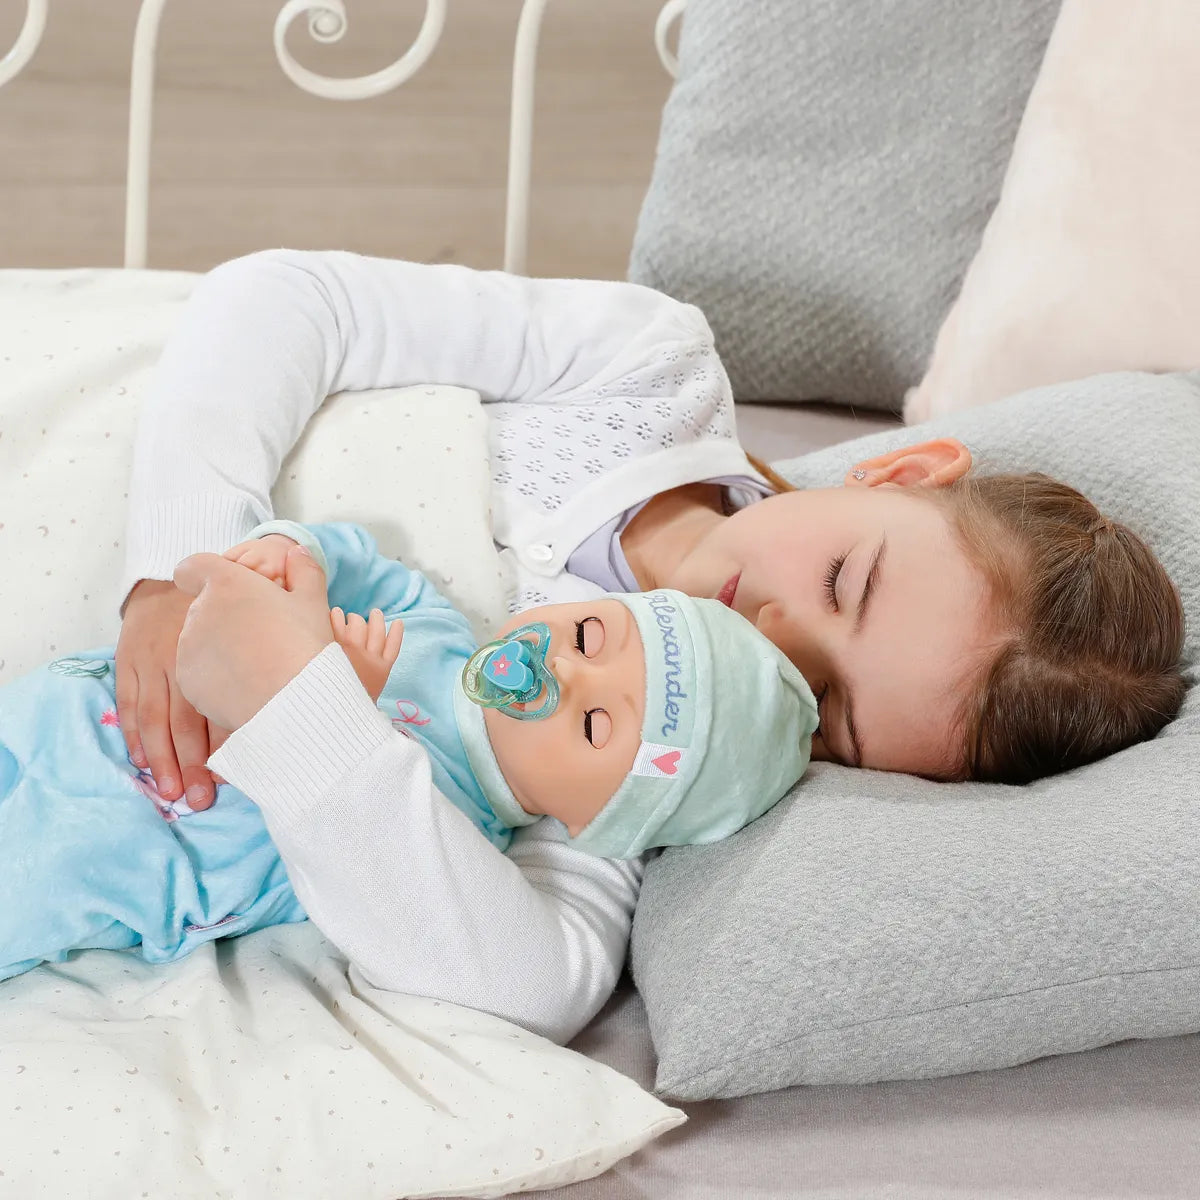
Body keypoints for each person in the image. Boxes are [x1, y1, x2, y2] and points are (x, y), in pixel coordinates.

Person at [117, 250, 1185, 1042]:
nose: (773, 634)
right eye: (842, 580)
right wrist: (171, 567)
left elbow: (530, 986)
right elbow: (293, 298)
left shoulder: (638, 764)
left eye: (828, 709)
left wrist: (300, 711)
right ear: (901, 474)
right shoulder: (646, 374)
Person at [0, 518, 817, 983]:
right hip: (78, 712)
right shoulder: (431, 623)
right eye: (588, 636)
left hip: (122, 852)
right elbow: (352, 559)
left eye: (596, 725)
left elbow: (372, 863)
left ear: (595, 825)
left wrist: (332, 691)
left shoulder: (460, 831)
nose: (563, 672)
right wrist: (288, 553)